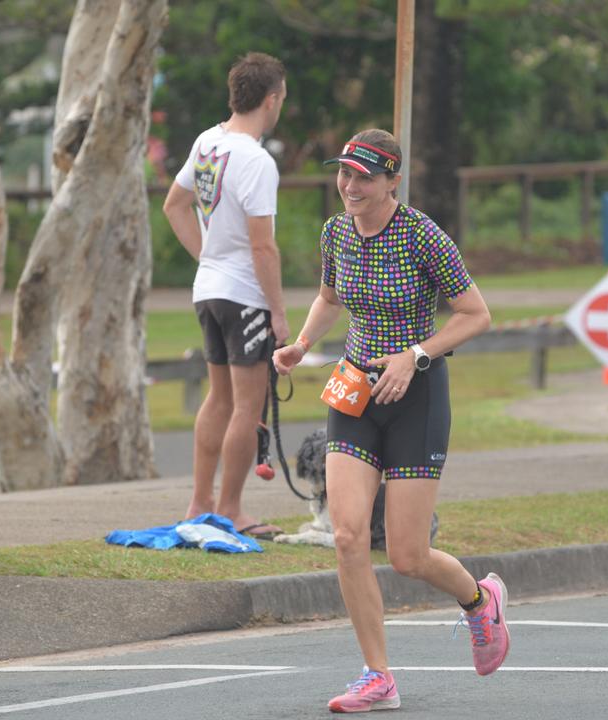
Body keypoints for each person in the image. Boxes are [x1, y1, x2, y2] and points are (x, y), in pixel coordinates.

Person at [272, 129, 507, 713]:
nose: (350, 186)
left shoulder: (423, 235)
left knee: (407, 555)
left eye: (364, 176)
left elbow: (476, 315)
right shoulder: (335, 232)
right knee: (348, 536)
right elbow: (330, 295)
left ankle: (480, 603)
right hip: (353, 392)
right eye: (344, 174)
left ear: (393, 179)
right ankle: (377, 676)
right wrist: (302, 343)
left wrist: (415, 355)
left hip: (417, 397)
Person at [163, 52, 289, 539]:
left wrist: (207, 256)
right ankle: (232, 509)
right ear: (271, 99)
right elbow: (263, 245)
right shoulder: (257, 160)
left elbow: (175, 205)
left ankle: (200, 502)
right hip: (243, 294)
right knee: (246, 406)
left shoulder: (208, 142)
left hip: (209, 289)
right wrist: (278, 312)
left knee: (218, 399)